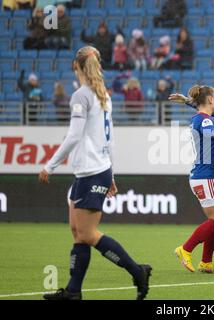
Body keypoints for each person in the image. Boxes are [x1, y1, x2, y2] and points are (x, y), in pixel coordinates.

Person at [38, 46, 152, 300]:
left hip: (91, 172)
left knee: (88, 234)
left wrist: (50, 165)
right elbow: (110, 139)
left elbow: (74, 135)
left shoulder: (81, 95)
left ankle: (137, 272)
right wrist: (111, 173)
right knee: (77, 232)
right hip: (93, 171)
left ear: (74, 65)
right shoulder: (102, 95)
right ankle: (73, 291)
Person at [173, 85, 214, 274]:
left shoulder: (204, 119)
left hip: (206, 176)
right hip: (206, 176)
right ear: (210, 100)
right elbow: (213, 133)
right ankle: (185, 249)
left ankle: (206, 262)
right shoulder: (203, 120)